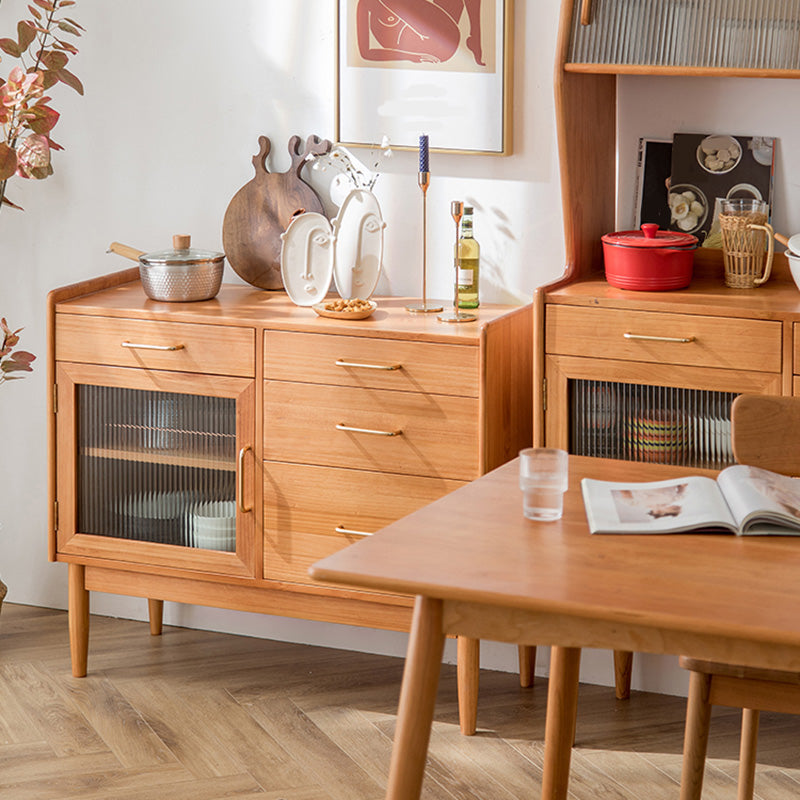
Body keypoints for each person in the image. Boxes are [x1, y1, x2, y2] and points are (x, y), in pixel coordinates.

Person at [356, 0, 485, 66]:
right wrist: (411, 57)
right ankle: (475, 38)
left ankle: (475, 38)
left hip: (443, 42)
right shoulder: (366, 4)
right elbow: (366, 53)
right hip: (432, 48)